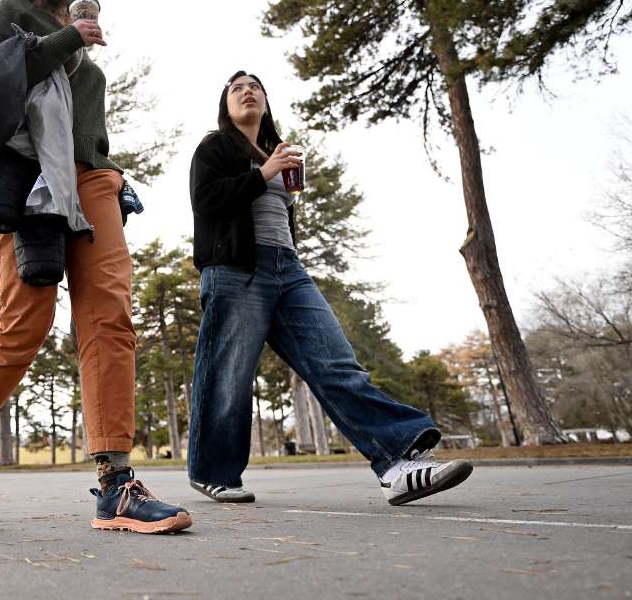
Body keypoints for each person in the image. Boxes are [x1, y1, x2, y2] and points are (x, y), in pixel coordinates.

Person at [0, 0, 191, 534]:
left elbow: (78, 123)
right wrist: (70, 38)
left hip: (91, 179)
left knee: (109, 315)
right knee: (28, 320)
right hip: (24, 181)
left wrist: (107, 172)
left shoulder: (79, 48)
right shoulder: (10, 16)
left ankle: (116, 482)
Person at [186, 71, 474, 505]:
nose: (248, 91)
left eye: (256, 87)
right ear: (225, 105)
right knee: (230, 375)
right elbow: (206, 202)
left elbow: (282, 214)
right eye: (236, 88)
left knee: (336, 363)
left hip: (288, 269)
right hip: (236, 270)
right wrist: (263, 173)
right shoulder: (215, 146)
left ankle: (396, 462)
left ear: (266, 101)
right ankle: (214, 472)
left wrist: (279, 174)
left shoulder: (277, 152)